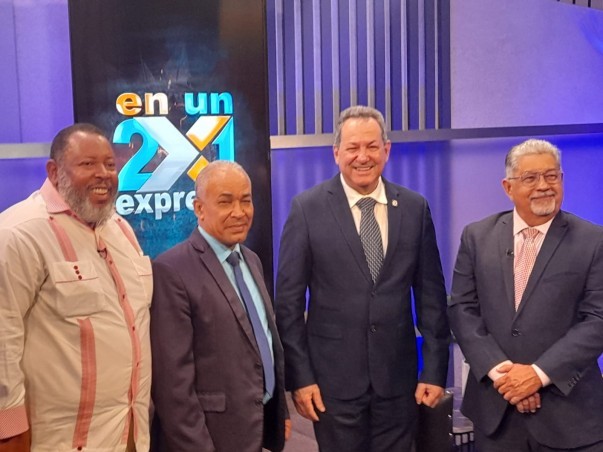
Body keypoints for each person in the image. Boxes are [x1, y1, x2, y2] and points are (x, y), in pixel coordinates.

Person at [275, 105, 450, 451]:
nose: (362, 157)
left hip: (398, 383)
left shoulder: (414, 207)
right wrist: (300, 378)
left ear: (387, 150)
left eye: (371, 146)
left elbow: (431, 296)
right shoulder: (307, 209)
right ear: (336, 153)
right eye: (353, 148)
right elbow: (288, 305)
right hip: (332, 385)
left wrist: (434, 370)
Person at [0, 124, 152, 451]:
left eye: (109, 165)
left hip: (129, 434)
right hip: (58, 441)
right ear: (54, 172)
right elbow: (3, 337)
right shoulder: (19, 233)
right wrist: (8, 428)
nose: (103, 174)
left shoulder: (121, 230)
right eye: (87, 164)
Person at [448, 139, 603, 451]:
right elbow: (462, 309)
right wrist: (503, 375)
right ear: (508, 187)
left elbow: (597, 319)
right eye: (530, 178)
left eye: (552, 176)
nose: (543, 186)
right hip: (497, 412)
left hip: (570, 415)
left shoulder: (593, 241)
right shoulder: (477, 236)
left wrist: (537, 375)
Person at [150, 160, 290, 452]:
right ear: (199, 208)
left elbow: (262, 340)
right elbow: (173, 387)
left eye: (246, 201)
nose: (239, 212)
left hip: (254, 428)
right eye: (225, 202)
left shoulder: (251, 259)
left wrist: (279, 409)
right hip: (210, 438)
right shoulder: (171, 270)